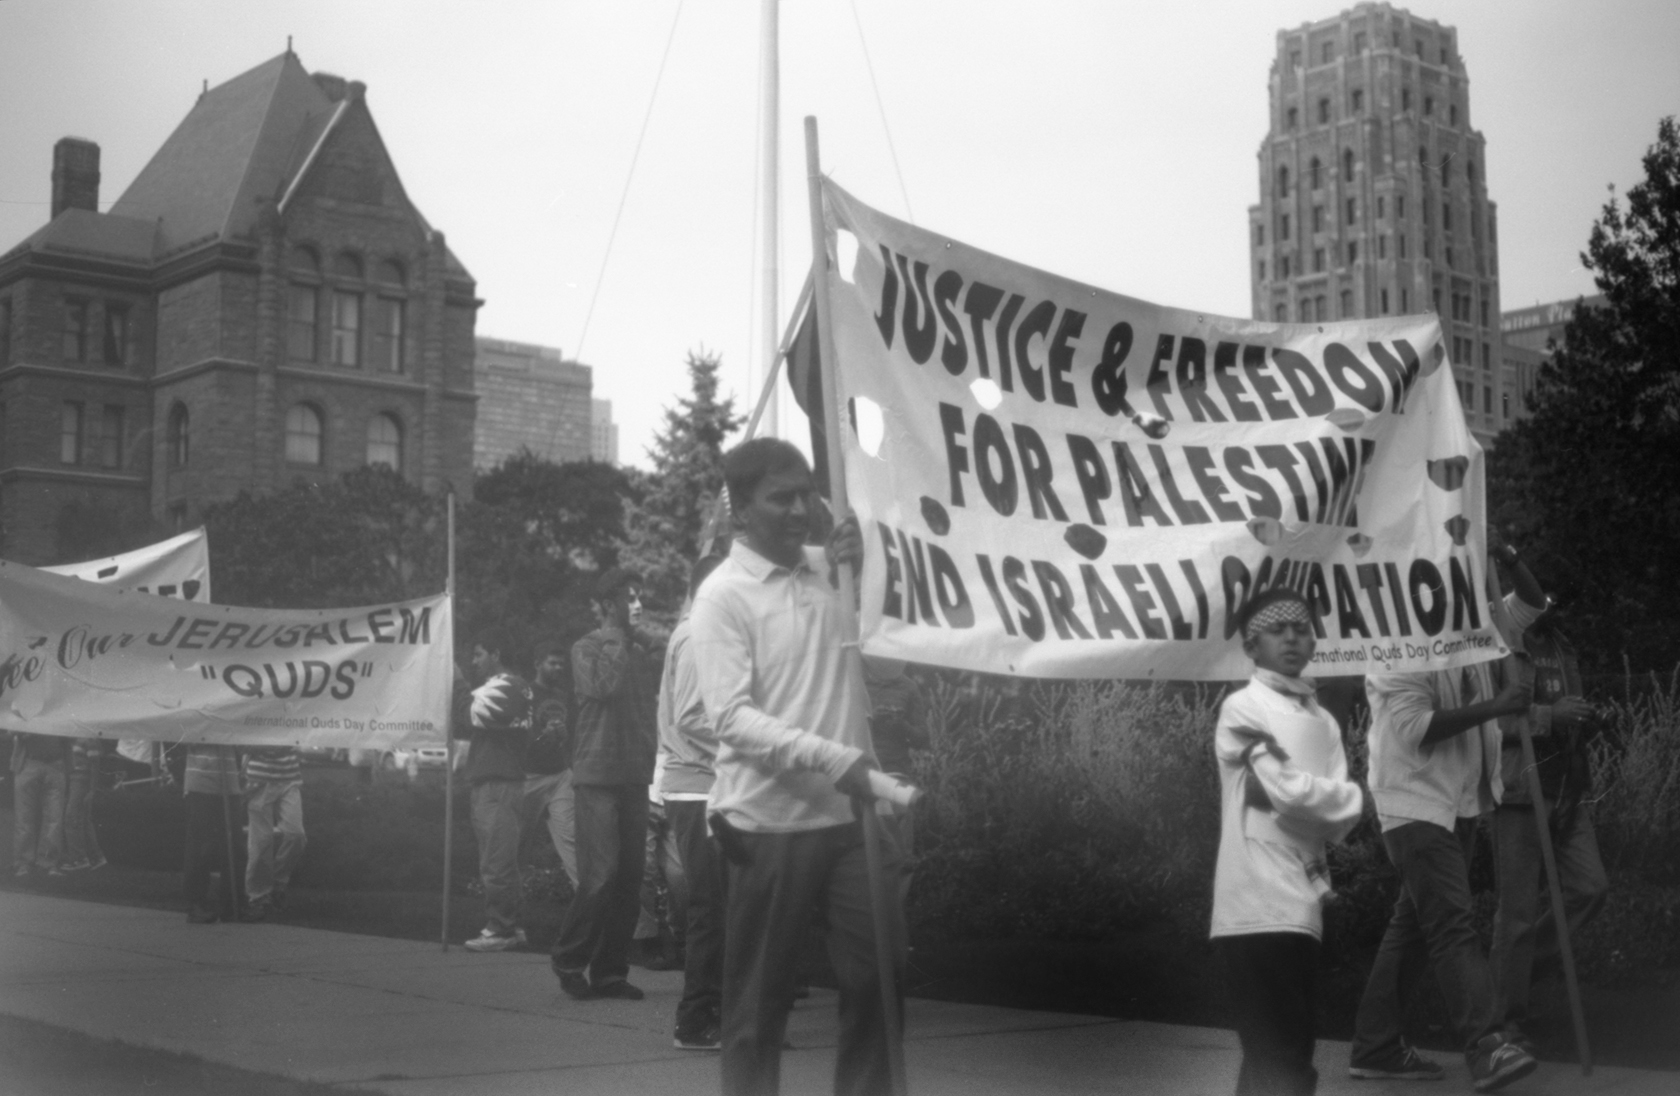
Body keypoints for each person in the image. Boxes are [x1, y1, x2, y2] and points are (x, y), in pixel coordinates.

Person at [690, 437, 901, 1096]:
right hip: (767, 823)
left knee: (881, 978)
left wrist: (868, 578)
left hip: (849, 820)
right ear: (741, 511)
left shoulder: (834, 569)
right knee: (759, 1005)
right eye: (780, 497)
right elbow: (729, 718)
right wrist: (831, 755)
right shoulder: (722, 597)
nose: (798, 508)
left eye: (806, 492)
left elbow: (889, 665)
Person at [1348, 550, 1542, 1092]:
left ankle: (1376, 1047)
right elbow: (1415, 729)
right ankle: (1485, 1047)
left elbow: (1530, 602)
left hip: (1459, 800)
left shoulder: (1475, 626)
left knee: (1411, 928)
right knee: (1451, 923)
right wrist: (1499, 704)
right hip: (1413, 804)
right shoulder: (1397, 644)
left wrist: (1502, 551)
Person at [1212, 587, 1364, 1096]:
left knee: (1275, 1057)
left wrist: (1329, 800)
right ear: (1252, 647)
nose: (1293, 638)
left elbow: (1328, 809)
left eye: (1301, 628)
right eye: (1278, 630)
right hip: (1252, 903)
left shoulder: (1322, 721)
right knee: (1284, 1059)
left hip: (1304, 905)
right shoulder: (1243, 708)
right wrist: (1337, 799)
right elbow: (1302, 795)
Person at [1487, 542, 1607, 1051]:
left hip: (1566, 788)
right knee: (1515, 912)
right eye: (1543, 595)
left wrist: (1591, 721)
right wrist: (1547, 718)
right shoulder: (1500, 641)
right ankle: (1506, 1022)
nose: (1549, 605)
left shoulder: (1562, 646)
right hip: (1519, 790)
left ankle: (1514, 973)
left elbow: (1569, 711)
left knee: (1590, 888)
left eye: (1555, 598)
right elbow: (1490, 722)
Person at [549, 568, 658, 1000]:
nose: (638, 605)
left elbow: (649, 707)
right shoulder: (587, 647)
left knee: (631, 877)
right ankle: (569, 960)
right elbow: (603, 687)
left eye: (640, 597)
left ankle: (611, 972)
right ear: (608, 605)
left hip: (634, 773)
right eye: (629, 598)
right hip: (596, 774)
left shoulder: (640, 652)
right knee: (601, 875)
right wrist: (617, 635)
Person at [660, 552, 727, 1051]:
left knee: (723, 906)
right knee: (710, 906)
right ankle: (696, 1019)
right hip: (697, 786)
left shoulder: (704, 633)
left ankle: (720, 1013)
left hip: (707, 785)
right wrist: (749, 750)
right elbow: (689, 716)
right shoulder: (696, 635)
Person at [460, 628, 533, 952]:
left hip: (498, 784)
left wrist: (454, 679)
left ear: (496, 654)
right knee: (500, 858)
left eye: (478, 654)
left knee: (497, 861)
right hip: (493, 782)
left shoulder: (509, 686)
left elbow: (467, 711)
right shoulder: (499, 687)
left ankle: (500, 929)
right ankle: (511, 926)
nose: (474, 662)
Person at [862, 656, 930, 905]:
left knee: (900, 854)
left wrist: (900, 726)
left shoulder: (908, 687)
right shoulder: (853, 682)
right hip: (861, 775)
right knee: (861, 851)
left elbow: (923, 738)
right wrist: (872, 721)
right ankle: (864, 912)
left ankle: (894, 912)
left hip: (897, 775)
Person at [524, 640, 578, 887]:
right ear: (538, 664)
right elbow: (519, 739)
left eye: (561, 664)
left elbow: (573, 737)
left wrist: (564, 735)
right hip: (529, 777)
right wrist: (542, 734)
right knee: (516, 844)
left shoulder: (563, 696)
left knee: (572, 842)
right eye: (552, 663)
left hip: (559, 777)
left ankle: (586, 905)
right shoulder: (525, 694)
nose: (558, 668)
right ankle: (506, 913)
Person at [241, 746, 306, 921]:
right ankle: (258, 896)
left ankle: (277, 884)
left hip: (289, 778)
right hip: (258, 779)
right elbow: (240, 742)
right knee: (261, 841)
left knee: (296, 834)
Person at [181, 743, 242, 923]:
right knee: (200, 846)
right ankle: (196, 903)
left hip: (229, 783)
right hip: (201, 783)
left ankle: (233, 904)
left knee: (234, 846)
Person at [10, 733, 70, 879]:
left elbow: (71, 735)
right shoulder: (25, 711)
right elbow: (13, 732)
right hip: (29, 762)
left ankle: (48, 862)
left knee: (54, 817)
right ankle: (23, 862)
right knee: (24, 817)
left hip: (56, 764)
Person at [60, 737, 108, 873]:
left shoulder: (88, 738)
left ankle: (79, 858)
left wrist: (92, 790)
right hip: (74, 779)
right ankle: (96, 857)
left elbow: (95, 764)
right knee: (83, 821)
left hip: (82, 780)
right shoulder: (74, 736)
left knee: (71, 819)